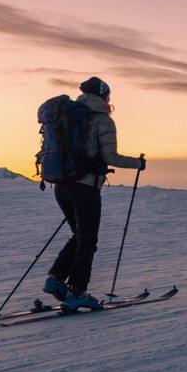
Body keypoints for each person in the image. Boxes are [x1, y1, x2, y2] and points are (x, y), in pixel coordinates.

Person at [43, 77, 146, 309]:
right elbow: (111, 157)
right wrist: (138, 163)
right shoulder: (102, 120)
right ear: (103, 96)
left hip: (61, 185)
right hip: (85, 188)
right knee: (88, 240)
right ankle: (77, 291)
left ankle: (56, 279)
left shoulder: (68, 117)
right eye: (108, 96)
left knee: (79, 236)